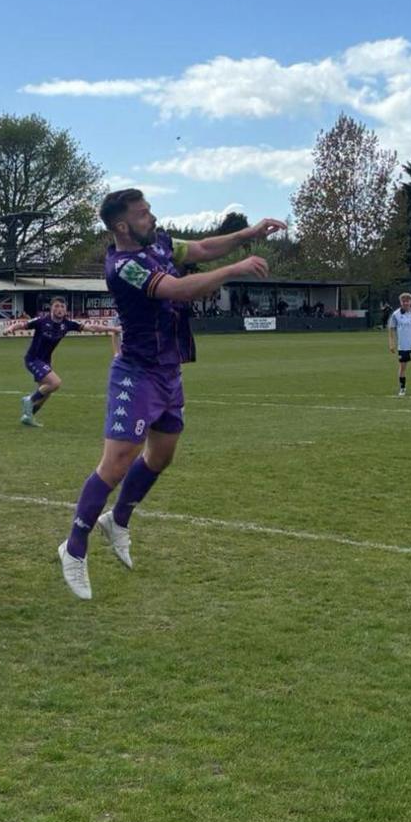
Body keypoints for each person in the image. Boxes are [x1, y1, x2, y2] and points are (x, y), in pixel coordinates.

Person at [57, 189, 282, 600]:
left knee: (161, 456)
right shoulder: (124, 266)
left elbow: (200, 248)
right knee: (116, 464)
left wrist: (249, 233)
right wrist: (236, 269)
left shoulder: (158, 243)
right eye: (143, 214)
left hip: (168, 370)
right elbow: (179, 290)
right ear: (122, 226)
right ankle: (73, 548)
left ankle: (118, 521)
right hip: (136, 373)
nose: (152, 218)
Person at [1, 297, 118, 427]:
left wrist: (114, 329)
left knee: (46, 392)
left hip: (45, 361)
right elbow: (22, 324)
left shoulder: (67, 324)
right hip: (33, 359)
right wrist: (10, 328)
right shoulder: (42, 321)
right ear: (51, 308)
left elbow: (92, 328)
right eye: (56, 306)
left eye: (62, 306)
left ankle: (28, 416)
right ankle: (29, 399)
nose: (60, 309)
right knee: (55, 383)